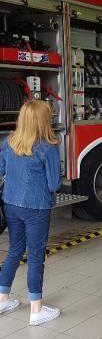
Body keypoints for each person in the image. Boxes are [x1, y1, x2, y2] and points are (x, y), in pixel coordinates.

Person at [0, 100, 61, 325]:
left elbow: (1, 170)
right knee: (35, 255)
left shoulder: (9, 142)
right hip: (37, 207)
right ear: (43, 121)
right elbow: (54, 184)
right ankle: (36, 309)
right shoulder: (48, 147)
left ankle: (2, 299)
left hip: (11, 204)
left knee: (15, 250)